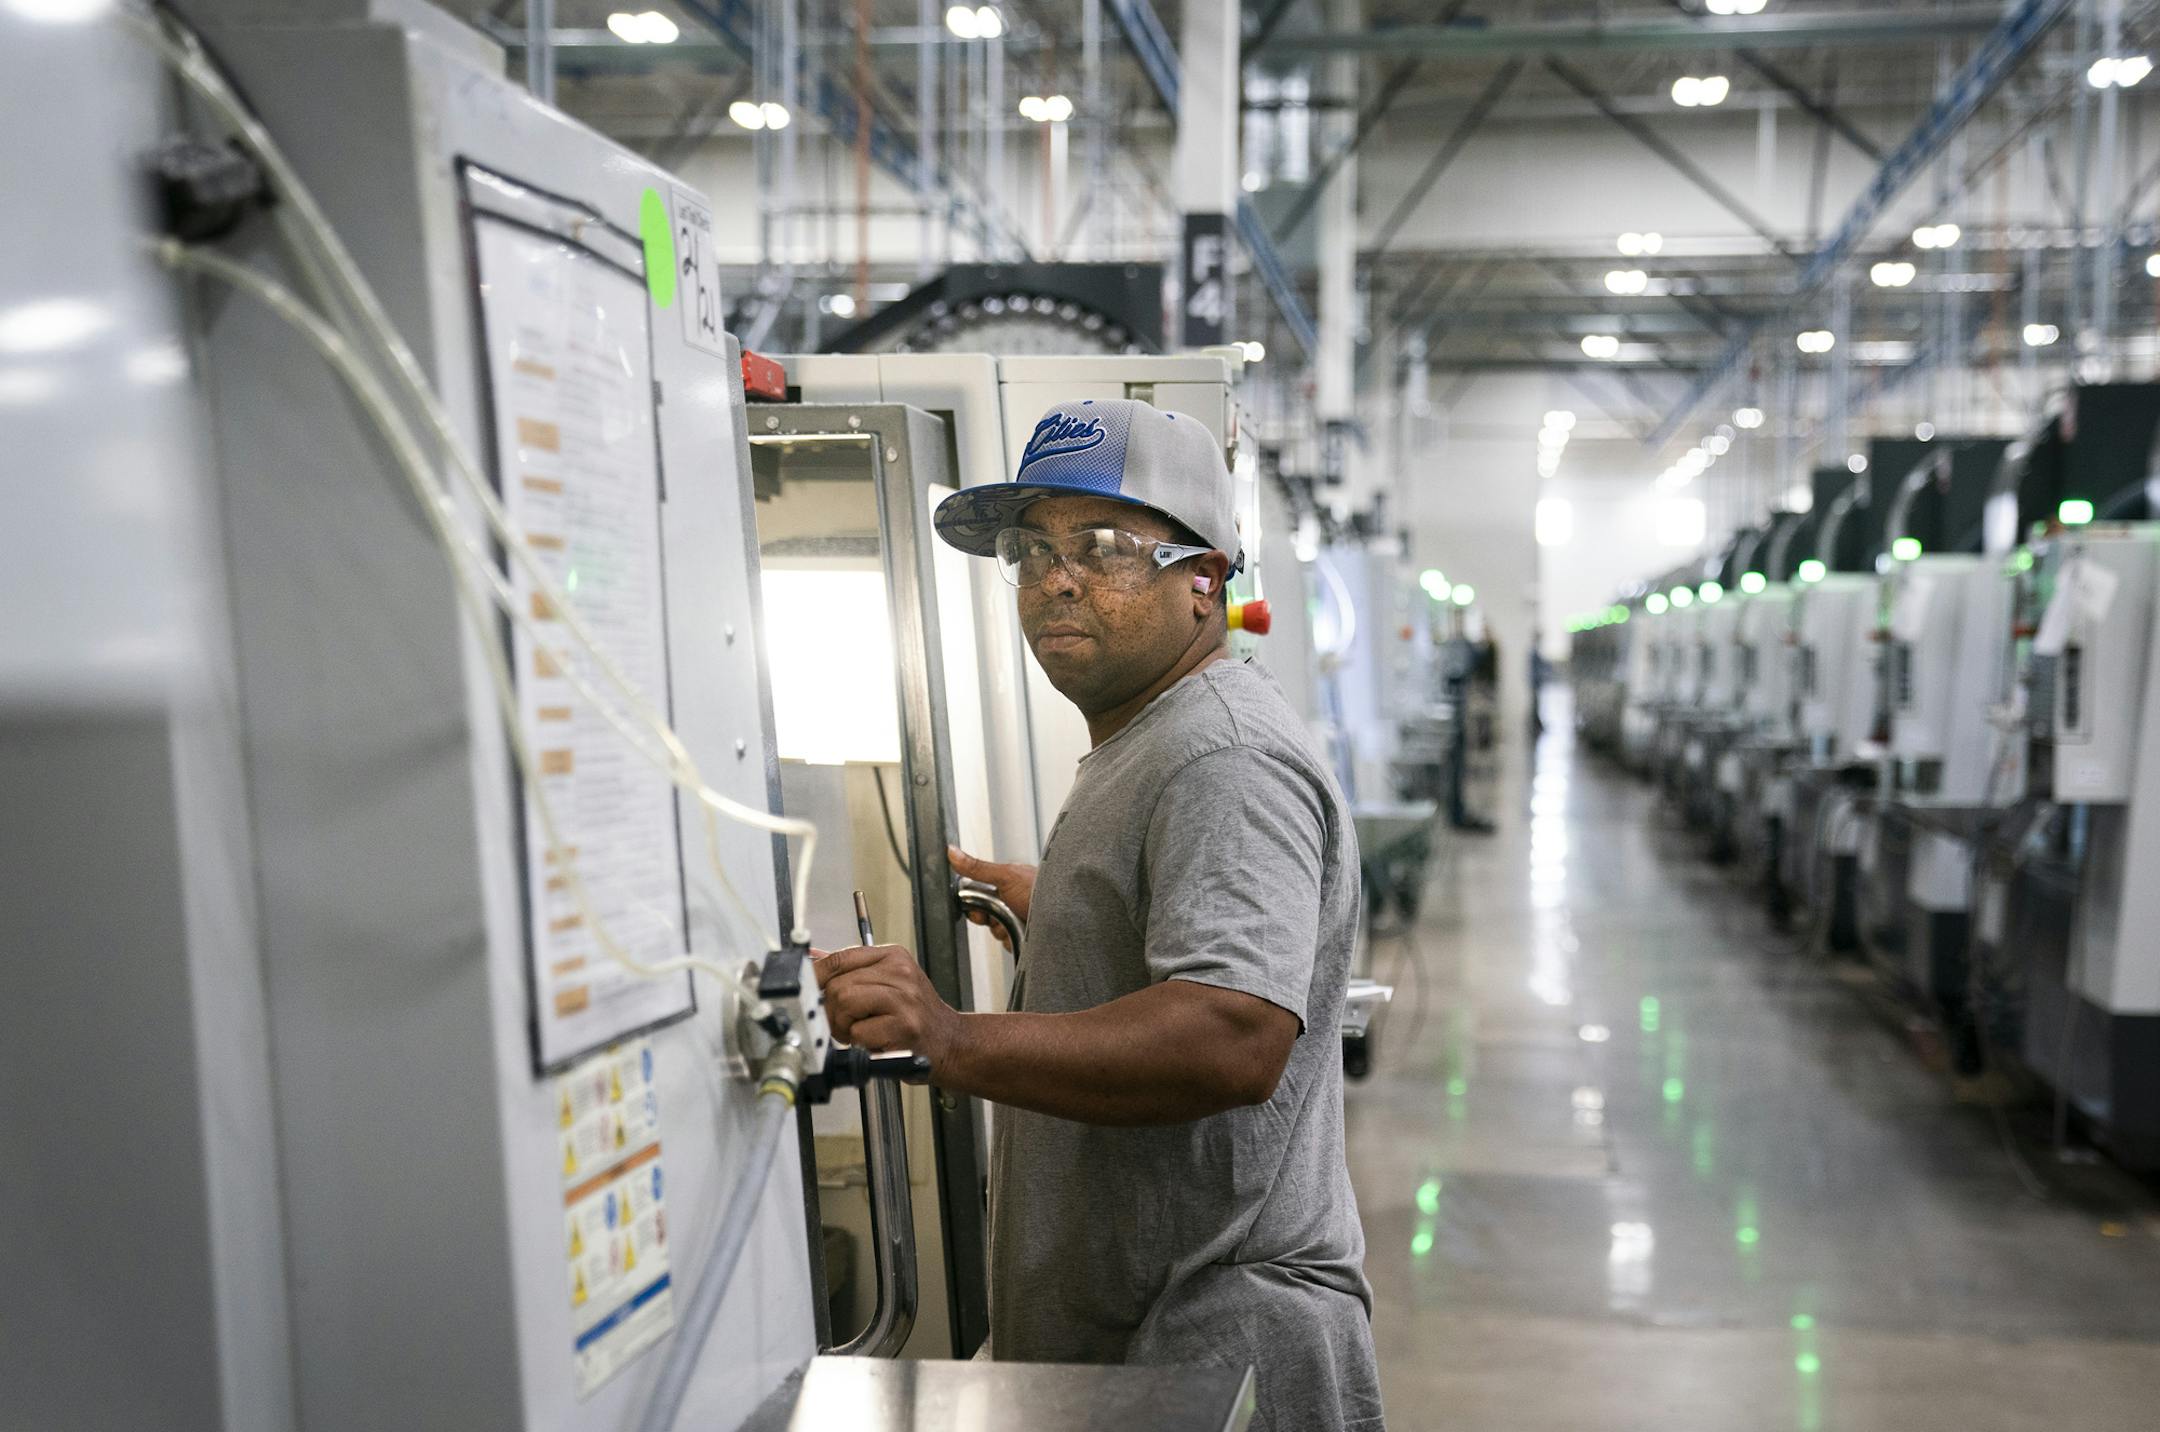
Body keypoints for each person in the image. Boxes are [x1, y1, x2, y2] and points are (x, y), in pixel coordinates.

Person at [814, 397, 1384, 1431]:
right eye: (1031, 551)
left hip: (1206, 1350)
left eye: (1106, 547)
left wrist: (952, 1038)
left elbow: (1232, 1035)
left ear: (1205, 578)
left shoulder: (1220, 757)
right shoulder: (1153, 737)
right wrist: (1080, 914)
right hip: (1149, 1347)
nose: (1056, 580)